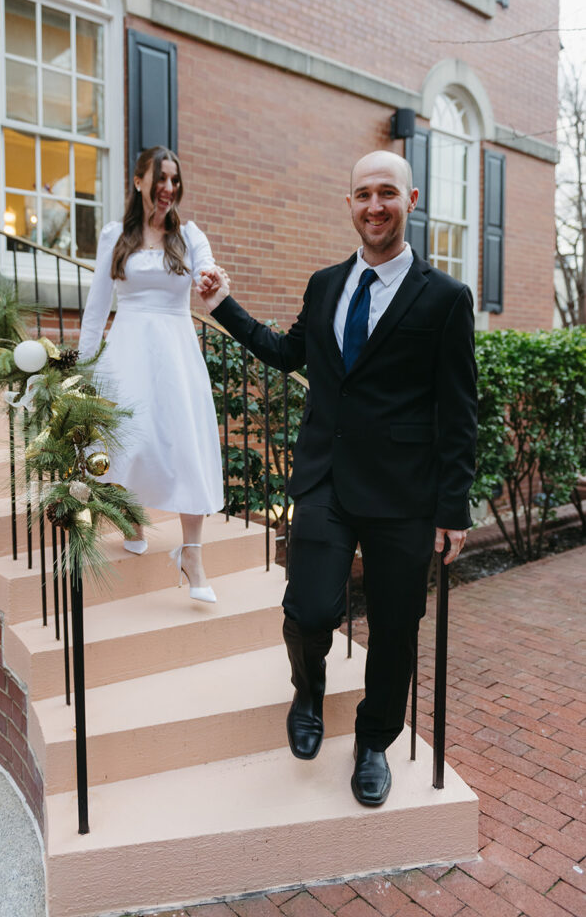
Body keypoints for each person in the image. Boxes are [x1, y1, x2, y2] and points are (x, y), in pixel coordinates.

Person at [198, 150, 477, 803]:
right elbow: (288, 352)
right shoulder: (326, 284)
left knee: (395, 628)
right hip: (325, 479)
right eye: (361, 194)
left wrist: (453, 508)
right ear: (347, 203)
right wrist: (223, 306)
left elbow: (458, 411)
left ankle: (374, 740)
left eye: (386, 193)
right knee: (309, 608)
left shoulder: (446, 298)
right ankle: (308, 692)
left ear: (410, 201)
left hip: (405, 495)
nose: (373, 205)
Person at [78, 146, 223, 603]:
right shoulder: (114, 236)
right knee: (128, 438)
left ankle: (192, 554)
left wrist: (214, 280)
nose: (168, 188)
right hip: (127, 348)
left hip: (175, 351)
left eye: (175, 180)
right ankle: (132, 517)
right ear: (139, 180)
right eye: (160, 178)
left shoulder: (190, 235)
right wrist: (82, 370)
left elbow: (208, 274)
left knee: (183, 443)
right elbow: (97, 306)